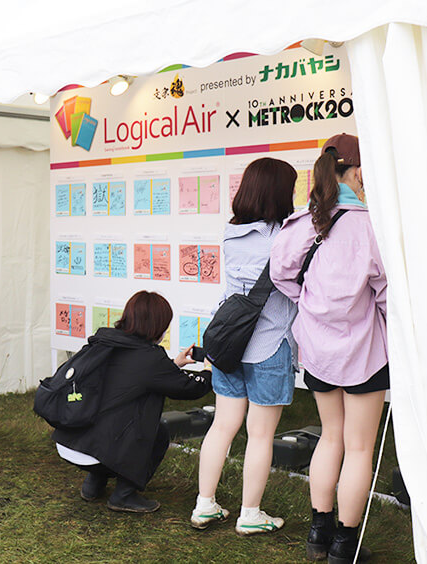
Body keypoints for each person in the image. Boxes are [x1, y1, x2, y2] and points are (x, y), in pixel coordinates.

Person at [270, 134, 387, 563]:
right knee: (358, 447)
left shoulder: (303, 222)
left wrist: (311, 303)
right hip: (364, 352)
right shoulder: (371, 226)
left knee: (330, 436)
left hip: (317, 348)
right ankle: (345, 545)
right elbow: (388, 292)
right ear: (357, 172)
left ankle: (319, 533)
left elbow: (281, 274)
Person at [190, 158, 299, 536]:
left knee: (222, 425)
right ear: (278, 193)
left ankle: (205, 505)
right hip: (269, 344)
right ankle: (250, 514)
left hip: (228, 343)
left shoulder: (231, 233)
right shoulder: (284, 237)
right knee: (260, 434)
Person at [52, 291, 211, 513]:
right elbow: (191, 388)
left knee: (113, 418)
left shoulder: (107, 342)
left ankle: (93, 484)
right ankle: (124, 494)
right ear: (157, 326)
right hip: (95, 448)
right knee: (157, 433)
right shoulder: (150, 358)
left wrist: (173, 365)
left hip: (69, 440)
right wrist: (208, 371)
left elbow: (135, 375)